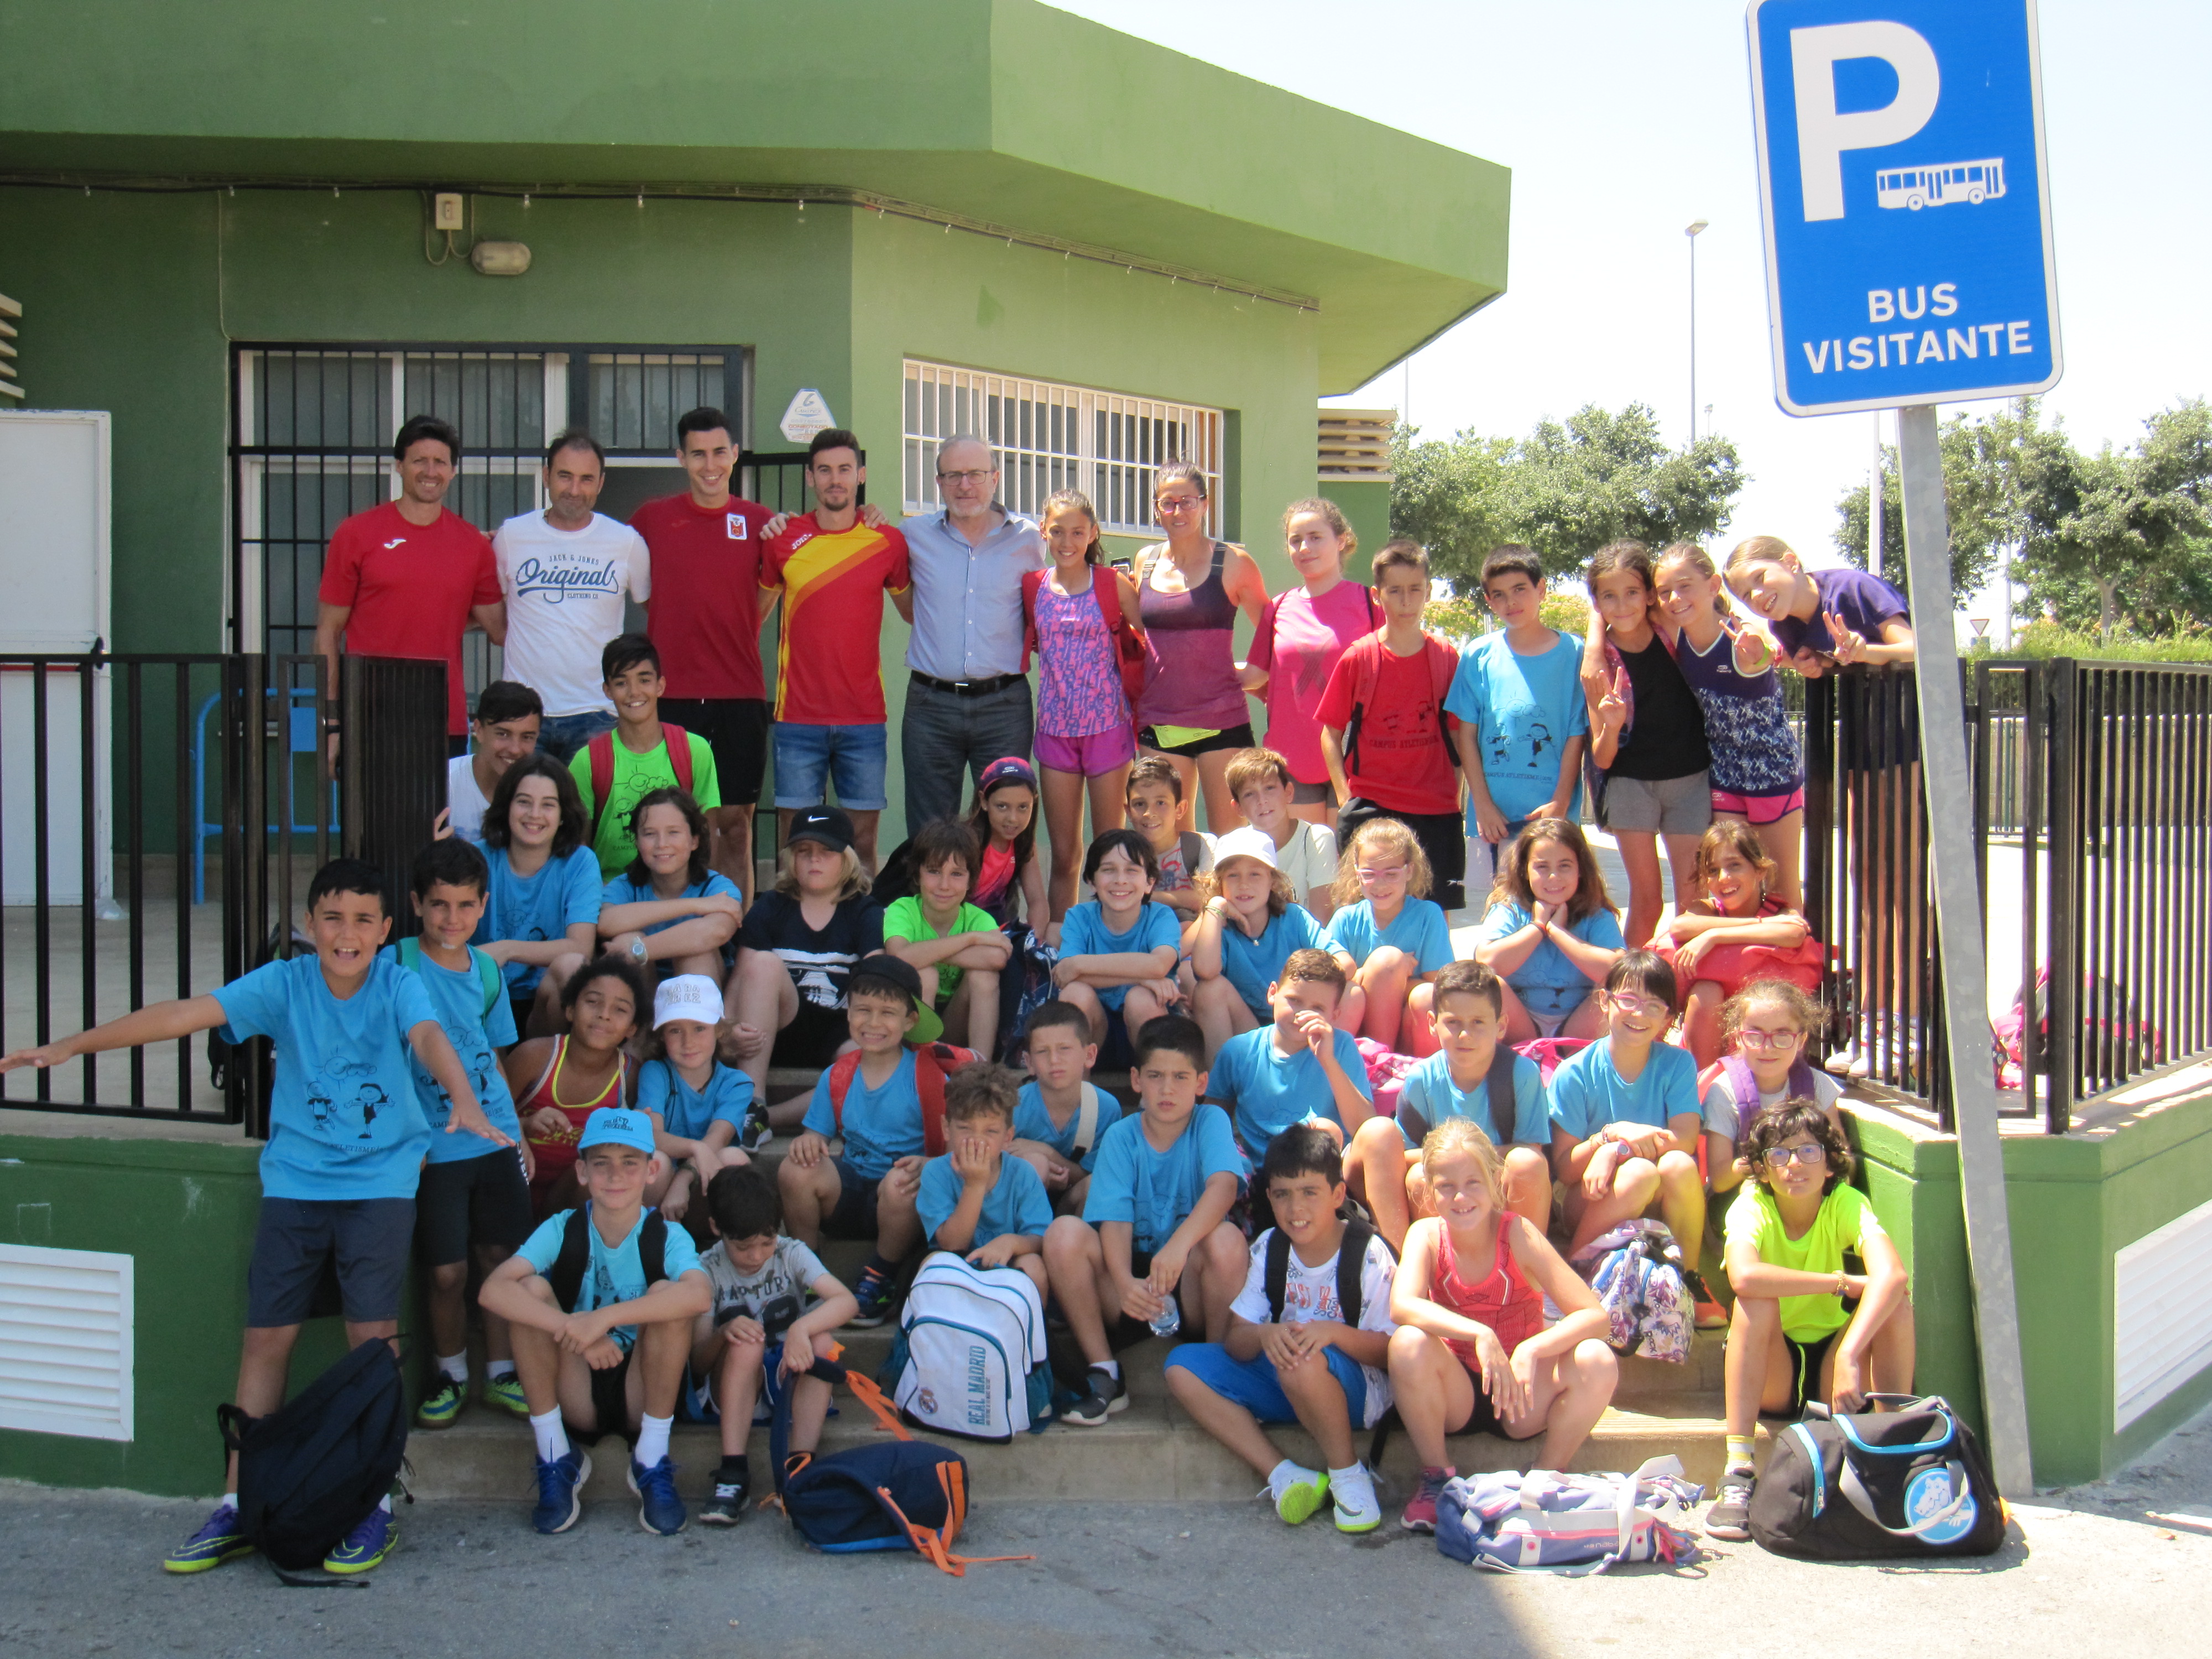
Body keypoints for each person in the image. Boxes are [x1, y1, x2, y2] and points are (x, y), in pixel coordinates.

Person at [0, 857, 502, 1577]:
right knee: (265, 1342)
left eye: (364, 919)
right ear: (309, 925)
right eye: (332, 917)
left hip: (381, 1181)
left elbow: (430, 1039)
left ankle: (375, 1504)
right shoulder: (285, 984)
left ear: (387, 929)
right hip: (296, 1184)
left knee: (373, 1342)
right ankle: (237, 1504)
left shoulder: (400, 982)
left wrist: (466, 1098)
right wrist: (71, 1048)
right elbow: (181, 1015)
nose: (347, 933)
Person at [1724, 534, 1918, 1078]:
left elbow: (1919, 649)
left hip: (1903, 744)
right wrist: (1797, 663)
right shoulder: (1789, 623)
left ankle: (1909, 1024)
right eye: (1744, 594)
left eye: (1760, 579)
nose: (1756, 597)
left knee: (1899, 887)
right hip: (1859, 750)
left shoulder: (1854, 589)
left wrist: (1864, 654)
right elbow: (1815, 665)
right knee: (1867, 882)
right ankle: (1877, 1023)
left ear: (1792, 562)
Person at [479, 1107, 712, 1538]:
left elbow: (700, 1294)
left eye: (630, 1163)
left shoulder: (666, 1234)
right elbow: (493, 1290)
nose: (615, 1176)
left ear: (652, 1170)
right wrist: (579, 1334)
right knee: (527, 1291)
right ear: (582, 1173)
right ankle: (555, 1454)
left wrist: (603, 1319)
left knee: (669, 1295)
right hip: (578, 1381)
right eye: (601, 1164)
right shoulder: (562, 1227)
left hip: (644, 1387)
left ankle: (652, 1458)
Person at [1387, 1119, 1620, 1532]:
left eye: (1473, 1182)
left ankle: (1548, 1477)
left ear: (1495, 1181)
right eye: (1445, 1186)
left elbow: (1595, 1317)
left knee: (1598, 1360)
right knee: (1407, 1343)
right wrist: (1479, 1333)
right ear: (1427, 1190)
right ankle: (1436, 1477)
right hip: (1455, 1393)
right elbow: (1402, 1306)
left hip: (1519, 1394)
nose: (1460, 1197)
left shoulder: (1518, 1234)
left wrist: (1533, 1350)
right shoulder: (1425, 1235)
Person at [1164, 1126, 1397, 1535]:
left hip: (1356, 1391)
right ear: (1269, 1197)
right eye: (1283, 1194)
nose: (1296, 1207)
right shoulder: (1270, 1246)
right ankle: (1284, 1474)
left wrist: (1333, 1333)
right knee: (1182, 1366)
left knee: (1301, 1357)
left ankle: (1347, 1474)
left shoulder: (1368, 1253)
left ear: (1338, 1195)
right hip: (1290, 1379)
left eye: (1310, 1192)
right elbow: (1237, 1340)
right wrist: (1265, 1334)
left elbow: (1391, 1351)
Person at [1704, 1099, 1914, 1542]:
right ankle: (1739, 1468)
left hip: (1832, 1366)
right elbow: (1744, 1275)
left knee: (1894, 1300)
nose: (1793, 1165)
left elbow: (1892, 1275)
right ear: (1761, 1170)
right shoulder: (1751, 1205)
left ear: (1831, 1163)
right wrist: (1838, 1282)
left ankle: (1888, 1449)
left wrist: (1851, 1354)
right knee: (1754, 1300)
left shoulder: (1846, 1202)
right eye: (1778, 1155)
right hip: (1773, 1366)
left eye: (1808, 1152)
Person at [387, 839, 534, 1431]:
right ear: (417, 904)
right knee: (446, 1270)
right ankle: (450, 1372)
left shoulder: (489, 971)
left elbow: (495, 1057)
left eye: (466, 905)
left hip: (493, 1138)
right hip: (434, 1146)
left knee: (502, 1262)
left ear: (483, 905)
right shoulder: (395, 962)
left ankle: (502, 1372)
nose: (453, 919)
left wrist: (517, 1131)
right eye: (440, 905)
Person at [1042, 1014, 1246, 1427]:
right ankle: (1105, 1373)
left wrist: (1177, 1248)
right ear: (1136, 1080)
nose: (1167, 1089)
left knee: (1226, 1240)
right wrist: (1122, 1281)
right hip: (1131, 1289)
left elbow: (1223, 1188)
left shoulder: (1211, 1122)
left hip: (1188, 1279)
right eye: (1155, 1076)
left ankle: (1218, 1372)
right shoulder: (1123, 1135)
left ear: (1202, 1083)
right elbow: (1114, 1220)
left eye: (1180, 1077)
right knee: (1064, 1232)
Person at [632, 407, 775, 889]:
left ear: (735, 455)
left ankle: (735, 941)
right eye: (698, 454)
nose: (710, 464)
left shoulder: (761, 522)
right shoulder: (651, 519)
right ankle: (679, 932)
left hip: (740, 692)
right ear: (681, 458)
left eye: (719, 452)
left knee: (735, 824)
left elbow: (772, 586)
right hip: (672, 694)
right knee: (676, 824)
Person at [760, 427, 913, 873]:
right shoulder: (782, 538)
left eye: (845, 469)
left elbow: (913, 614)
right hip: (797, 720)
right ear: (810, 477)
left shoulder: (887, 541)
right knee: (795, 847)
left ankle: (861, 937)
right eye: (824, 470)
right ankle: (790, 936)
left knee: (861, 848)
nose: (835, 479)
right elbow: (756, 615)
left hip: (863, 719)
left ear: (860, 475)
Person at [1547, 951, 1724, 1322]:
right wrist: (1607, 1140)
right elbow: (1565, 1169)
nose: (1639, 1014)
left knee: (1676, 1164)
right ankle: (1574, 1270)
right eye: (1628, 1000)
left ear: (1668, 1018)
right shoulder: (1574, 1073)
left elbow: (1686, 1141)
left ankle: (1687, 1279)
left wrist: (1619, 1147)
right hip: (1588, 1197)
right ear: (1605, 1001)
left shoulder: (1676, 1064)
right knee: (1640, 1173)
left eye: (1654, 1006)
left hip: (1654, 1188)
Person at [315, 414, 505, 748]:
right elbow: (328, 632)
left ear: (453, 471)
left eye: (440, 462)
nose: (430, 472)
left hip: (442, 720)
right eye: (420, 461)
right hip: (367, 716)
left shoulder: (473, 545)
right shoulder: (357, 533)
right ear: (400, 466)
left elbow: (500, 630)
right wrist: (331, 722)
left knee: (440, 805)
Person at [688, 1164, 858, 1527]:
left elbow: (846, 1301)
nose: (756, 1255)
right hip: (736, 1389)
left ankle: (800, 1465)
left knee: (823, 1341)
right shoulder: (706, 1268)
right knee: (746, 1342)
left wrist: (801, 1329)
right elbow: (698, 1363)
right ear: (717, 1229)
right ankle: (733, 1472)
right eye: (744, 1247)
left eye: (766, 1242)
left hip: (787, 1383)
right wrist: (724, 1332)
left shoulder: (788, 1252)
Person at [776, 954, 941, 1327]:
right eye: (863, 1010)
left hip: (905, 1204)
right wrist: (808, 1142)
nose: (873, 1023)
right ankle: (811, 1274)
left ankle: (880, 1278)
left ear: (910, 1020)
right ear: (848, 1014)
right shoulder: (838, 1075)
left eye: (887, 1012)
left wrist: (932, 1164)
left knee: (902, 1183)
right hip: (850, 1190)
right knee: (795, 1169)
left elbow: (955, 1150)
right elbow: (816, 1134)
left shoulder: (928, 1078)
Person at [1344, 960, 1550, 1250]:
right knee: (1418, 1179)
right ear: (1432, 1024)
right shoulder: (1422, 1080)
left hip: (1497, 1190)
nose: (1465, 1035)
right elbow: (1400, 1158)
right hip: (1446, 1191)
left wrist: (1466, 1159)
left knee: (1527, 1165)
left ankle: (1526, 1269)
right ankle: (1442, 1272)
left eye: (1478, 1022)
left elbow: (1532, 1152)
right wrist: (1457, 1164)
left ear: (1501, 1025)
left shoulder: (1522, 1074)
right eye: (1453, 1022)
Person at [900, 435, 1047, 832]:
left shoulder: (1029, 539)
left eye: (975, 475)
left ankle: (996, 899)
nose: (965, 485)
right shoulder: (912, 537)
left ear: (995, 479)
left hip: (1004, 705)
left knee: (1004, 828)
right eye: (954, 476)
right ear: (939, 482)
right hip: (931, 706)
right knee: (930, 831)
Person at [1316, 539, 1467, 910]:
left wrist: (1457, 794)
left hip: (1435, 809)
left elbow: (1459, 734)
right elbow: (1330, 734)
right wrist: (1344, 796)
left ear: (1428, 592)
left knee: (1434, 914)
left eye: (1415, 590)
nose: (1406, 601)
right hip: (1373, 806)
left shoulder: (1446, 658)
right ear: (1377, 595)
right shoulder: (1359, 658)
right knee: (1367, 912)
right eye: (1395, 591)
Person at [1654, 541, 1804, 906]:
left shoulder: (1743, 636)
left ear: (1713, 585)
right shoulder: (1678, 635)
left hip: (1773, 779)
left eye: (1685, 586)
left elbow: (1764, 652)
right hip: (1725, 780)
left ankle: (1798, 963)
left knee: (1781, 892)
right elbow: (1613, 597)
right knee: (1728, 892)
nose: (1674, 598)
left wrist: (1761, 651)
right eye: (1665, 592)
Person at [1582, 539, 1713, 947]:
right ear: (1597, 601)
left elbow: (1694, 601)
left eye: (1632, 593)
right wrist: (1611, 723)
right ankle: (1629, 991)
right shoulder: (1598, 664)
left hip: (1690, 779)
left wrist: (1590, 629)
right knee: (1648, 901)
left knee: (1693, 901)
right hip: (1629, 784)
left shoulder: (1668, 627)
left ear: (1650, 595)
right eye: (1609, 597)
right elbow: (1603, 757)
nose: (1622, 606)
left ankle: (1683, 992)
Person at [492, 429, 651, 764]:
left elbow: (654, 611)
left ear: (601, 483)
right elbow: (492, 617)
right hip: (524, 715)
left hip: (597, 715)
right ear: (547, 476)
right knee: (524, 814)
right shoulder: (512, 537)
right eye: (565, 476)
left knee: (589, 817)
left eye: (586, 479)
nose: (575, 490)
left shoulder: (626, 542)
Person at [1134, 461, 1270, 834]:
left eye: (1188, 502)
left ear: (1205, 505)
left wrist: (1254, 675)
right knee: (1171, 847)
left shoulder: (1234, 563)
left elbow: (1275, 630)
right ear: (1156, 508)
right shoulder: (1145, 562)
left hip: (1222, 722)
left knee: (1233, 845)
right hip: (1159, 723)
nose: (1178, 511)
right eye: (1168, 503)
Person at [1025, 489, 1142, 919]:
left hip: (1108, 730)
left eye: (1078, 531)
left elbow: (1154, 643)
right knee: (1065, 854)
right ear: (1044, 531)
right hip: (1055, 733)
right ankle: (1061, 945)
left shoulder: (1113, 585)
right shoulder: (1033, 587)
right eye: (1058, 531)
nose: (1067, 541)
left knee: (1111, 851)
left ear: (1093, 533)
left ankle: (1116, 938)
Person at [722, 807, 885, 1107]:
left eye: (827, 851)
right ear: (791, 858)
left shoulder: (864, 911)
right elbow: (740, 980)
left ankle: (768, 1117)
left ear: (847, 857)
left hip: (841, 1026)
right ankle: (751, 1101)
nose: (814, 859)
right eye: (803, 850)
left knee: (871, 1068)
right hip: (780, 1025)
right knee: (764, 964)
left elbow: (878, 977)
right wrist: (727, 1030)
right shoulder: (770, 906)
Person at [1447, 544, 1588, 886]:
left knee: (1554, 901)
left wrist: (1560, 801)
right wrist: (1481, 803)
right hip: (1494, 814)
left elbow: (1576, 732)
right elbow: (1464, 734)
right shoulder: (1479, 654)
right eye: (1499, 595)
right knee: (1503, 905)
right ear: (1488, 600)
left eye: (1520, 590)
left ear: (1541, 589)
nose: (1510, 603)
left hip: (1550, 813)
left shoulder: (1574, 652)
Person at [1244, 498, 1375, 824]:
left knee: (1349, 868)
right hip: (1292, 761)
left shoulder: (1371, 603)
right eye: (1296, 540)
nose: (1305, 547)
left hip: (1354, 759)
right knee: (1299, 869)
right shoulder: (1278, 608)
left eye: (1316, 537)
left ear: (1341, 540)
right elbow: (1253, 675)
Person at [1655, 821, 1821, 1067]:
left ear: (1759, 871)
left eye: (1734, 865)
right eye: (1713, 871)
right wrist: (1757, 929)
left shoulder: (1777, 910)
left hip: (1762, 1036)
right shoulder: (1707, 910)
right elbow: (1679, 928)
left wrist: (1714, 937)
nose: (1724, 878)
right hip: (1710, 1034)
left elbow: (1795, 933)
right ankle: (1702, 1085)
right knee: (1706, 992)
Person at [1206, 949, 1374, 1179]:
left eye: (1318, 1008)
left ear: (1334, 1015)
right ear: (1273, 993)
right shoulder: (1238, 1051)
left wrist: (1328, 1060)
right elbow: (1213, 1117)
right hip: (1264, 1172)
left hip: (1326, 1169)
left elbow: (1364, 1127)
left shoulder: (1341, 1046)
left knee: (1326, 1130)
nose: (1302, 1014)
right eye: (1294, 1000)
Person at [568, 634, 722, 881]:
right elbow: (578, 847)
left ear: (660, 685)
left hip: (679, 894)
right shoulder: (588, 761)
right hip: (610, 898)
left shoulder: (695, 750)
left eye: (644, 680)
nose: (634, 692)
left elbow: (707, 837)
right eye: (621, 683)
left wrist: (702, 897)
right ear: (607, 690)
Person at [476, 754, 603, 1039]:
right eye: (523, 802)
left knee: (572, 965)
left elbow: (581, 947)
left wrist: (507, 949)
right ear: (507, 806)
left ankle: (549, 1069)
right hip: (483, 995)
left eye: (548, 805)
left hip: (544, 1003)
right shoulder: (477, 858)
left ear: (562, 816)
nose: (534, 814)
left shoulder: (580, 862)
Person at [506, 957, 646, 1215]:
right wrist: (524, 1126)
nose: (604, 1014)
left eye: (620, 1010)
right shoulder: (535, 1057)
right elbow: (485, 1116)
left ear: (632, 1028)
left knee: (600, 1171)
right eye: (593, 1002)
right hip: (510, 1184)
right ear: (570, 1009)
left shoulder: (630, 1075)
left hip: (570, 1199)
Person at [1473, 815, 1625, 1042]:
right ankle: (1529, 1051)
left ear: (1580, 870)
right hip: (1519, 1023)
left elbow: (1617, 971)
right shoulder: (1510, 909)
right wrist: (1537, 927)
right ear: (1525, 871)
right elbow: (1486, 963)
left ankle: (1569, 1054)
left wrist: (1557, 932)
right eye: (1542, 867)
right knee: (1488, 984)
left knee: (1620, 990)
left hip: (1579, 1025)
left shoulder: (1596, 914)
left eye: (1565, 866)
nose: (1554, 877)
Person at [917, 1062, 1053, 1297]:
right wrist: (974, 1184)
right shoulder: (936, 1173)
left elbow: (1040, 1238)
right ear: (946, 1128)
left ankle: (1029, 1333)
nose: (977, 1140)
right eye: (965, 1128)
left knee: (1033, 1265)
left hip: (1008, 1267)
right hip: (960, 1267)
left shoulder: (1023, 1174)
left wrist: (1011, 1242)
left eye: (990, 1131)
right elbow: (952, 1245)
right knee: (934, 1264)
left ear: (1008, 1136)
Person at [1189, 825, 1325, 1060]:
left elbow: (1341, 962)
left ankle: (1318, 1072)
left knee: (1350, 991)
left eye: (1255, 874)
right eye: (1233, 875)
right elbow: (1204, 970)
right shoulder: (1220, 925)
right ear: (1219, 882)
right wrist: (1216, 907)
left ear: (1272, 880)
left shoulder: (1293, 917)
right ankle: (1220, 1091)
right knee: (1209, 990)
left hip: (1294, 1026)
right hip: (1246, 1030)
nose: (1244, 884)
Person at [1702, 980, 1846, 1200]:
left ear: (1801, 1040)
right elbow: (1720, 1180)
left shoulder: (1817, 1084)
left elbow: (1843, 1156)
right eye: (1755, 1036)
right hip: (1745, 1200)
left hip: (1806, 1196)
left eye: (1782, 1036)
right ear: (1738, 1039)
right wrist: (1767, 1162)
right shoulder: (1723, 1092)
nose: (1767, 1048)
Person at [1051, 829, 1182, 1069]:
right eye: (1108, 870)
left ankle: (1155, 1097)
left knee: (1142, 999)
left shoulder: (1161, 917)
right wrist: (1146, 979)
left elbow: (1158, 965)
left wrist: (1080, 964)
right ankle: (1078, 1097)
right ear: (1091, 880)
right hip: (1093, 1032)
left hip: (1148, 1032)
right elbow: (1065, 976)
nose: (1120, 880)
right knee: (1075, 993)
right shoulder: (1079, 917)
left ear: (1150, 882)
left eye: (1132, 870)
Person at [1321, 816, 1453, 1054]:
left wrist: (1389, 977)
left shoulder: (1428, 915)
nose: (1380, 885)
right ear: (1357, 873)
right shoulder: (1346, 918)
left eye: (1391, 874)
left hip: (1409, 1028)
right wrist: (1376, 973)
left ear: (1409, 870)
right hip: (1360, 1033)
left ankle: (1423, 1074)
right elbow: (1323, 982)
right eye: (1369, 874)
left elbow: (1441, 985)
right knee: (1385, 964)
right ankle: (1377, 1062)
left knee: (1425, 995)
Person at [637, 973, 758, 1227]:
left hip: (701, 1187)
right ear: (661, 1035)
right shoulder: (655, 1072)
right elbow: (652, 1135)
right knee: (656, 1162)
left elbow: (718, 1139)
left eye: (700, 1028)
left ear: (720, 1030)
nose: (688, 1042)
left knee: (735, 1160)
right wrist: (695, 1148)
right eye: (675, 1030)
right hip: (659, 1197)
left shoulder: (736, 1083)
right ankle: (646, 1242)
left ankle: (733, 1247)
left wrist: (684, 1178)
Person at [883, 817, 1009, 1057]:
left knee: (983, 975)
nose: (944, 885)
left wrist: (924, 952)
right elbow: (900, 956)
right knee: (925, 974)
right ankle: (920, 1065)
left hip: (957, 1020)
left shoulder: (976, 918)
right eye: (934, 871)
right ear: (918, 874)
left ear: (971, 879)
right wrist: (970, 940)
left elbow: (997, 958)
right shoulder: (903, 909)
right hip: (907, 1023)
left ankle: (979, 1071)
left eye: (957, 874)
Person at [597, 787, 744, 983]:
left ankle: (688, 1014)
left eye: (673, 832)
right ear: (637, 842)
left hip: (699, 985)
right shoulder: (625, 886)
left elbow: (716, 931)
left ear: (694, 841)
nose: (662, 843)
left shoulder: (716, 887)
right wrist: (696, 905)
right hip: (644, 991)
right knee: (626, 937)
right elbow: (606, 923)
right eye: (649, 834)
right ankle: (646, 1014)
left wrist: (638, 950)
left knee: (695, 954)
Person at [1009, 999, 1115, 1213]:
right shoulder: (1013, 1106)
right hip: (1018, 1202)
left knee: (1098, 1184)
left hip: (1071, 1203)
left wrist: (1048, 1154)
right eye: (1042, 1051)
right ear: (1029, 1062)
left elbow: (1095, 1176)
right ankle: (1024, 1236)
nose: (1054, 1060)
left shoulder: (1105, 1108)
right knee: (1035, 1163)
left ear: (1090, 1055)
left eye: (1064, 1049)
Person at [1223, 748, 1336, 921]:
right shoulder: (1231, 845)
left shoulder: (1317, 838)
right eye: (1249, 794)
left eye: (1269, 788)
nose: (1262, 801)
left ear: (1289, 792)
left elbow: (1322, 920)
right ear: (1238, 807)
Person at [442, 680, 542, 845]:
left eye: (527, 737)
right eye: (503, 734)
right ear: (479, 730)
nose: (515, 749)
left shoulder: (544, 791)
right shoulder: (445, 782)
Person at [1125, 753, 1214, 924]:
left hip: (1193, 934)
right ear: (1128, 811)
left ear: (1180, 809)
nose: (1149, 814)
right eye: (1139, 804)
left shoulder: (1200, 846)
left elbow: (1206, 898)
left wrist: (1147, 897)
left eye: (1160, 803)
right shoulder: (1123, 855)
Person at [962, 755, 1047, 928]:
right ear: (984, 801)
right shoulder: (965, 842)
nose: (1013, 819)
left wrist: (1033, 943)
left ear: (1034, 802)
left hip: (1001, 934)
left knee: (1056, 932)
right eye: (1002, 806)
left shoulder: (1023, 842)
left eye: (1023, 807)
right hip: (963, 935)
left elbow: (1038, 902)